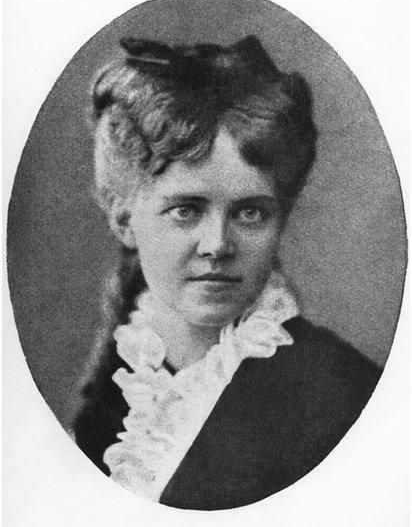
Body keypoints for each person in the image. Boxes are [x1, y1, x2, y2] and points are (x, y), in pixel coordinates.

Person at [72, 35, 382, 510]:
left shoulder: (341, 393)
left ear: (281, 219)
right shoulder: (113, 397)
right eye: (186, 210)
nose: (218, 245)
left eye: (250, 213)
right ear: (123, 217)